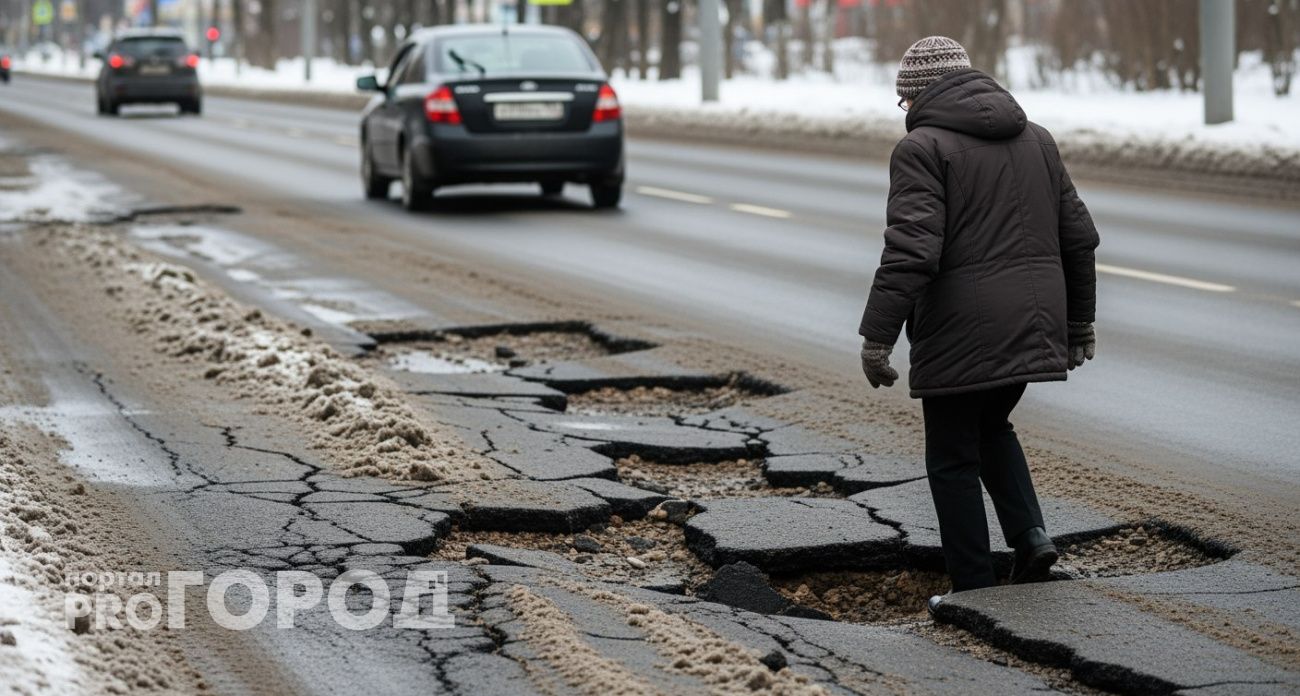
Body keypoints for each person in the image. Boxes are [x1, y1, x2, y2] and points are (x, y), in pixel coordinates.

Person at [857, 36, 1100, 613]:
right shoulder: (1036, 138)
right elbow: (1079, 237)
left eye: (903, 101)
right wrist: (1080, 321)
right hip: (1032, 320)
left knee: (951, 458)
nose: (903, 112)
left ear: (917, 94)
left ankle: (972, 588)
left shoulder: (921, 147)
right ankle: (1032, 540)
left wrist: (877, 334)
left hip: (960, 329)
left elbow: (912, 250)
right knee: (992, 426)